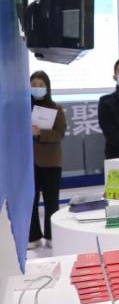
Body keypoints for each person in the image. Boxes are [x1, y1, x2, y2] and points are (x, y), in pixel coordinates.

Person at [27, 71, 66, 250]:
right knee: (31, 201)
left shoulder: (56, 108)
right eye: (34, 85)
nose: (37, 88)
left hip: (51, 162)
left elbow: (59, 134)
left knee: (51, 201)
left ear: (48, 87)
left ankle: (51, 236)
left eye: (41, 85)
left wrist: (40, 133)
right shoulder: (23, 108)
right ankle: (33, 237)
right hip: (28, 163)